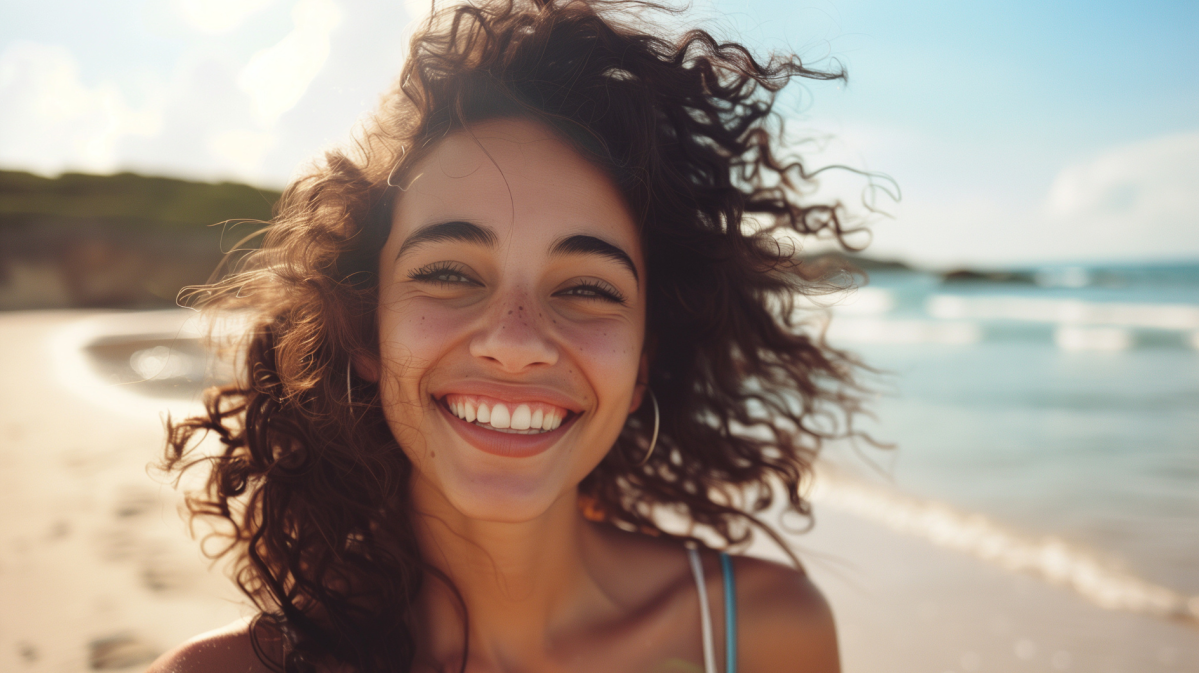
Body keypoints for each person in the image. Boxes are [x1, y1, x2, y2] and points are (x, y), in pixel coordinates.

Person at [150, 0, 870, 670]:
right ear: (365, 331)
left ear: (643, 363)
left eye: (587, 288)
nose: (516, 340)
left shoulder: (766, 635)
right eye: (450, 274)